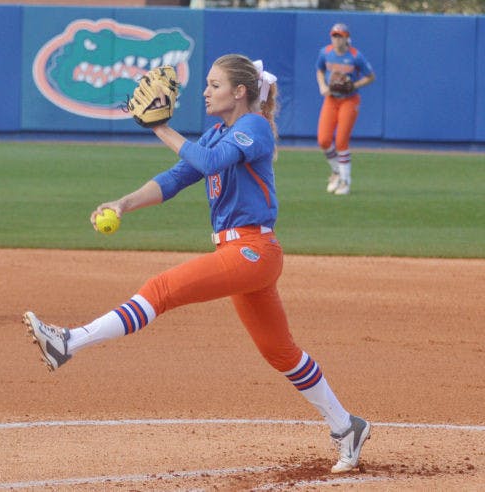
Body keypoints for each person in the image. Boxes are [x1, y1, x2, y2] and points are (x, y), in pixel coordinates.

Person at [24, 54, 371, 473]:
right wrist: (123, 203)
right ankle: (346, 425)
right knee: (280, 352)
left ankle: (68, 342)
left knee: (161, 289)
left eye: (214, 84)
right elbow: (176, 177)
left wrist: (159, 126)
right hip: (238, 253)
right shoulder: (219, 132)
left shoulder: (254, 127)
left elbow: (208, 164)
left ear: (240, 92)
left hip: (253, 251)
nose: (205, 92)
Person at [316, 23, 375, 195]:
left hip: (349, 99)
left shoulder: (356, 56)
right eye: (334, 35)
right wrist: (322, 85)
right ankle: (336, 171)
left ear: (346, 38)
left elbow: (371, 76)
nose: (336, 39)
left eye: (340, 36)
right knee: (324, 140)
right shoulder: (325, 52)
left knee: (341, 141)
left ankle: (345, 181)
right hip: (331, 98)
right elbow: (319, 70)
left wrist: (354, 85)